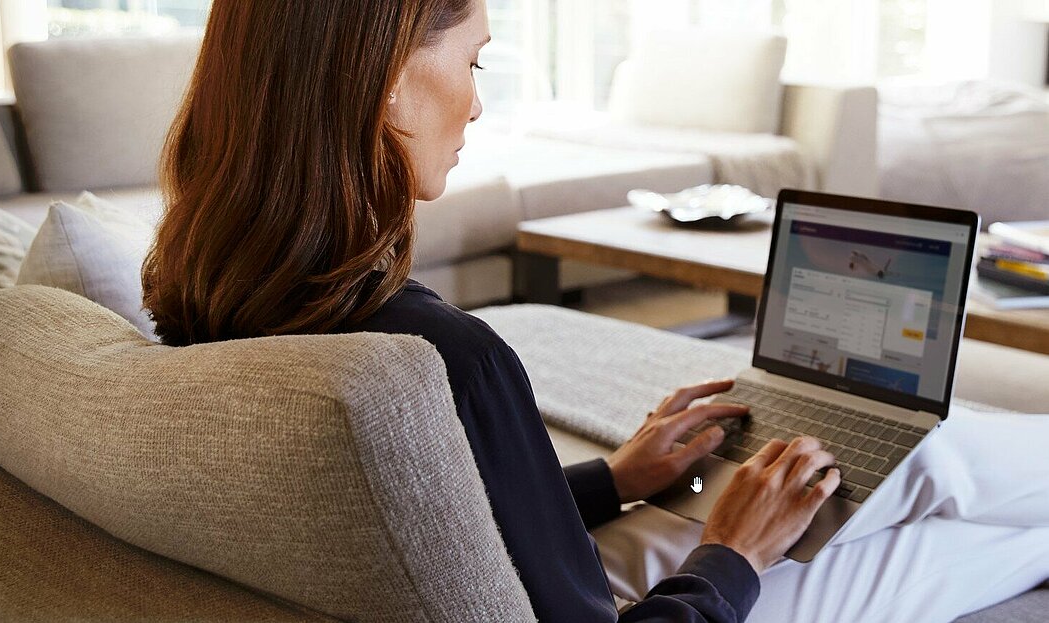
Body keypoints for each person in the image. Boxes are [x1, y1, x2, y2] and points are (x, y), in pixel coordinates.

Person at [141, 1, 1049, 621]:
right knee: (938, 485)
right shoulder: (441, 359)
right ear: (384, 80)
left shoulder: (208, 289)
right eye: (473, 61)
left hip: (550, 581)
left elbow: (441, 513)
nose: (477, 102)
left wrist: (616, 477)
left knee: (913, 473)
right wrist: (734, 552)